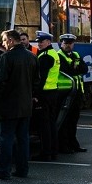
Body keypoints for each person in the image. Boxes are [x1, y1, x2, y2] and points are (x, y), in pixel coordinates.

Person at [0, 29, 39, 180]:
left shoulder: (7, 57)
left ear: (11, 40)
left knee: (5, 138)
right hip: (25, 106)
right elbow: (37, 81)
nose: (4, 44)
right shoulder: (32, 57)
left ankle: (4, 170)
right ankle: (22, 170)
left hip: (8, 106)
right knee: (23, 139)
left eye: (5, 41)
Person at [56, 33, 88, 153]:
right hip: (64, 93)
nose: (68, 45)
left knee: (73, 121)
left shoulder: (76, 54)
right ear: (61, 44)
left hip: (76, 93)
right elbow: (67, 70)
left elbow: (84, 69)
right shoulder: (59, 56)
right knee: (64, 121)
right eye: (65, 43)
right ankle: (63, 146)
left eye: (70, 43)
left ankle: (73, 144)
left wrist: (75, 69)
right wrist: (75, 68)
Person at [34, 32, 60, 160]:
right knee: (51, 123)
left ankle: (46, 153)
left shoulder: (45, 56)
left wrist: (36, 94)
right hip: (53, 91)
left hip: (44, 94)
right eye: (38, 42)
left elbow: (41, 78)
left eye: (41, 42)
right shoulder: (53, 53)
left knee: (44, 125)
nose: (39, 44)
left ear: (48, 43)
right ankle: (53, 151)